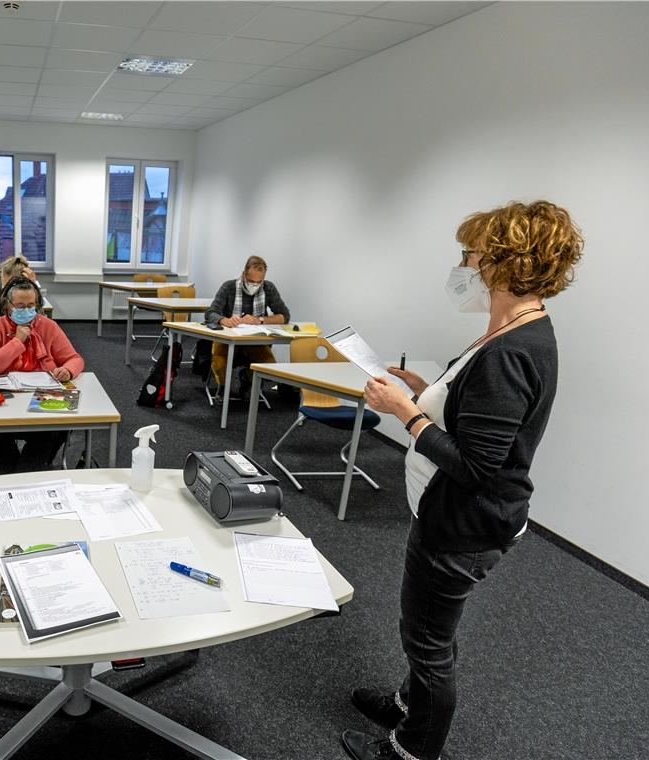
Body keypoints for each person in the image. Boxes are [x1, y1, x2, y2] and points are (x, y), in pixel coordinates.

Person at [341, 201, 584, 760]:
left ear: (500, 262)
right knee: (427, 627)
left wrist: (404, 412)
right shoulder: (513, 331)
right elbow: (477, 415)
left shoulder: (511, 350)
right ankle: (409, 704)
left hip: (463, 526)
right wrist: (425, 389)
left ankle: (412, 748)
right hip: (453, 514)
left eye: (468, 254)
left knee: (427, 642)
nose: (462, 265)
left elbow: (477, 464)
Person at [0, 278, 83, 472]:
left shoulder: (48, 326)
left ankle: (20, 474)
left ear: (37, 305)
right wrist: (17, 341)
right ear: (7, 305)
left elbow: (75, 359)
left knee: (55, 430)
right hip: (8, 398)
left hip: (42, 396)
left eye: (30, 305)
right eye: (19, 306)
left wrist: (67, 370)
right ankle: (21, 473)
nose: (25, 310)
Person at [204, 255, 291, 393]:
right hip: (227, 340)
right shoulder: (229, 287)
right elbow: (210, 313)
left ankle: (248, 380)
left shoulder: (268, 288)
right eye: (251, 281)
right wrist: (224, 320)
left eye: (259, 282)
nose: (254, 285)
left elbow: (284, 316)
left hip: (254, 340)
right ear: (243, 274)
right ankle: (223, 389)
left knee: (269, 366)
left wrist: (260, 320)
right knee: (220, 365)